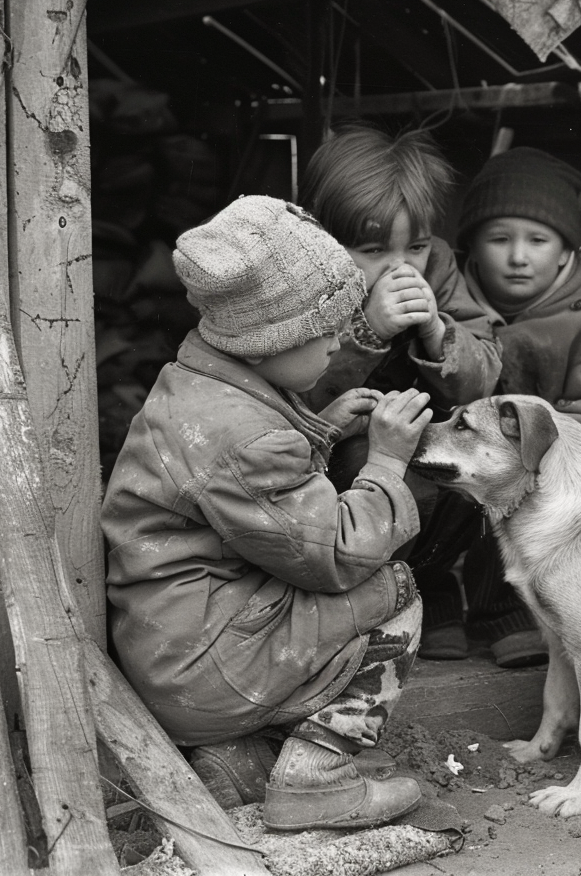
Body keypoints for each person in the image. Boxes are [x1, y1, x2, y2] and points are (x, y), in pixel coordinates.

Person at [102, 196, 432, 831]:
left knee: (315, 603)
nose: (341, 340)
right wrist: (386, 463)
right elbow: (333, 556)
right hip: (208, 667)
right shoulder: (248, 441)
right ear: (269, 340)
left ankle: (241, 763)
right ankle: (319, 778)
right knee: (392, 590)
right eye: (326, 330)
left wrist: (319, 434)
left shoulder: (199, 384)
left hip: (176, 648)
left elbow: (251, 502)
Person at [298, 123, 502, 660]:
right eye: (372, 249)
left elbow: (485, 373)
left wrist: (438, 333)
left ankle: (436, 589)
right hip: (352, 448)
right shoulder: (304, 278)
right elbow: (294, 394)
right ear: (325, 239)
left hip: (427, 433)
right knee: (370, 476)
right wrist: (366, 334)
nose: (400, 266)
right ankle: (383, 601)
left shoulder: (437, 267)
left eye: (415, 245)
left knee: (480, 472)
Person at [455, 146, 581, 667]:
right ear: (471, 244)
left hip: (549, 468)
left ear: (564, 252)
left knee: (523, 505)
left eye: (537, 240)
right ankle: (439, 600)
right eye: (499, 239)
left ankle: (505, 611)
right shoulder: (450, 305)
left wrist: (535, 451)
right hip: (464, 454)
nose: (518, 256)